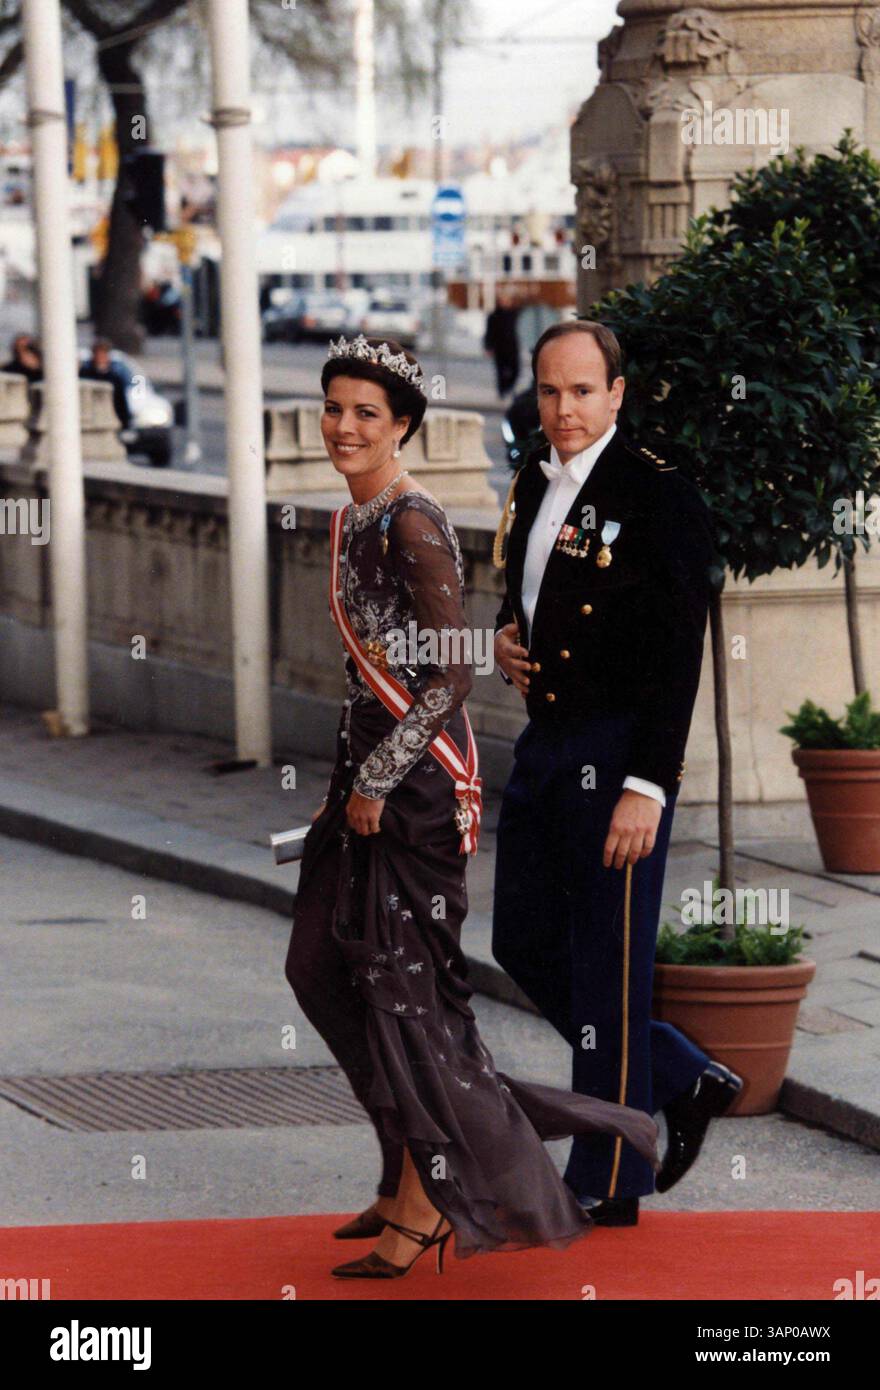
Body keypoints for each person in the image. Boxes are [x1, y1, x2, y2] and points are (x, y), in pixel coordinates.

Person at [284, 332, 660, 1279]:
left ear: (403, 425)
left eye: (367, 412)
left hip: (412, 791)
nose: (344, 427)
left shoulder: (412, 522)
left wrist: (376, 782)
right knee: (322, 967)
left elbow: (448, 679)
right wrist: (346, 781)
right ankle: (403, 1157)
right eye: (334, 408)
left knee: (412, 999)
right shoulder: (352, 519)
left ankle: (429, 1197)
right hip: (360, 777)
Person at [491, 321, 743, 1228]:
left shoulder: (657, 495)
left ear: (617, 395)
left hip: (618, 754)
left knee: (609, 963)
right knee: (520, 939)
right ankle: (680, 1072)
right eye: (550, 391)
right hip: (547, 743)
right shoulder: (531, 477)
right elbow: (522, 587)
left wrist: (649, 785)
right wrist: (503, 637)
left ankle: (608, 1175)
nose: (564, 410)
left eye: (583, 392)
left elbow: (681, 655)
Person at [79, 338, 132, 429]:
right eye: (98, 354)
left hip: (108, 419)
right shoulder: (84, 375)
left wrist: (125, 423)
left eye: (103, 354)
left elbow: (120, 403)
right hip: (89, 419)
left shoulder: (114, 378)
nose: (101, 357)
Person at [483, 289, 520, 398]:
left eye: (506, 299)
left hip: (512, 347)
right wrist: (488, 347)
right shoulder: (493, 316)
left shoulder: (514, 314)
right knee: (501, 372)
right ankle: (502, 391)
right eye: (502, 299)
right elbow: (489, 332)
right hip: (499, 348)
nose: (504, 302)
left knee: (516, 370)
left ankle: (509, 387)